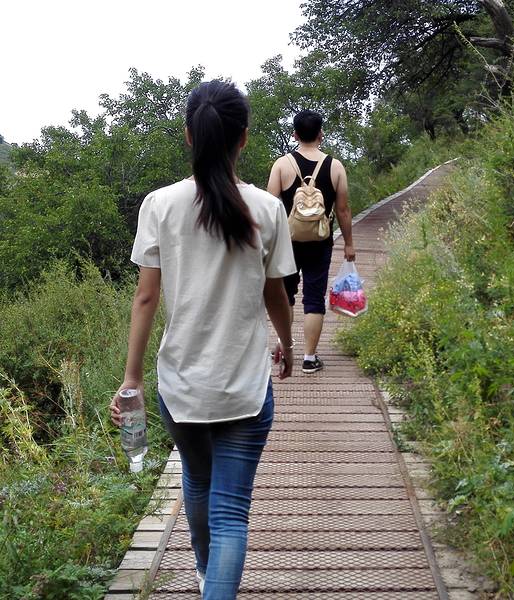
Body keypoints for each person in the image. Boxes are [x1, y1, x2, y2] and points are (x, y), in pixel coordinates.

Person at [109, 80, 296, 599]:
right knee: (231, 510)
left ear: (190, 136)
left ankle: (204, 571)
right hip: (244, 386)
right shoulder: (266, 209)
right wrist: (286, 345)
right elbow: (276, 294)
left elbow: (145, 298)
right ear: (244, 138)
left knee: (196, 480)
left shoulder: (160, 205)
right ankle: (214, 582)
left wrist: (131, 378)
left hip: (181, 385)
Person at [267, 110, 355, 373]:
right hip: (320, 241)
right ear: (321, 134)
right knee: (314, 298)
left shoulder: (282, 165)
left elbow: (269, 207)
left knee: (286, 296)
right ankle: (309, 358)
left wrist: (267, 245)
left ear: (294, 134)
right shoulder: (335, 166)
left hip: (287, 242)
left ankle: (285, 346)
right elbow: (343, 210)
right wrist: (349, 244)